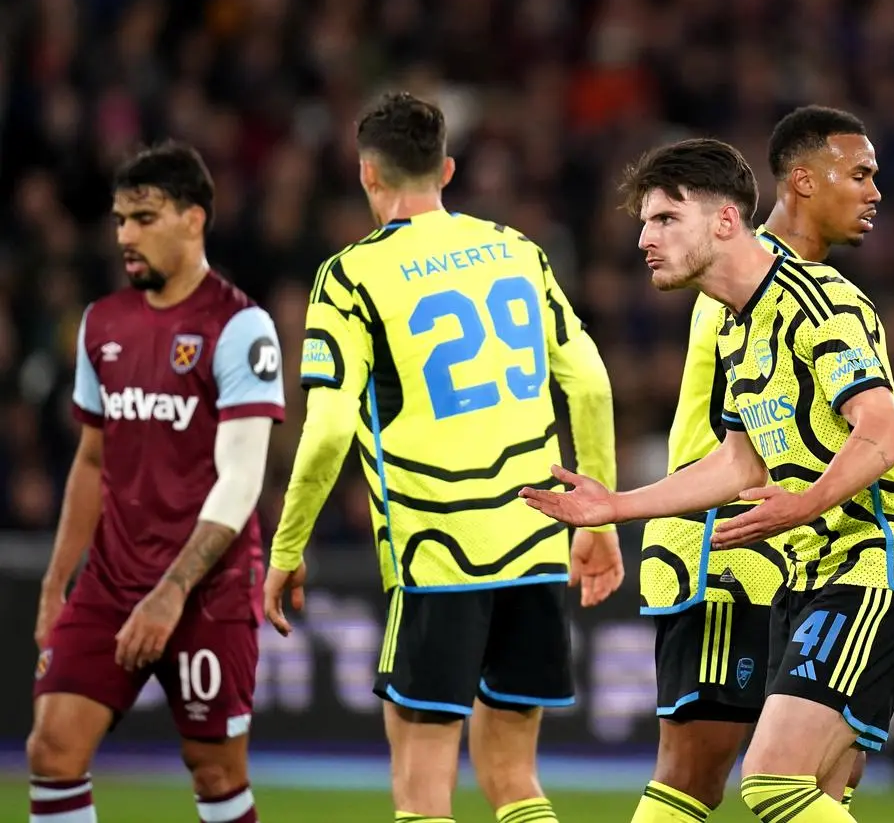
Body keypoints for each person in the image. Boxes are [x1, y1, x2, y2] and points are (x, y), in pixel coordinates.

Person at [523, 136, 894, 823]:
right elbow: (740, 462)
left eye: (665, 219)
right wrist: (618, 506)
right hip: (812, 572)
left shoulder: (816, 303)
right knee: (819, 792)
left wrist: (803, 503)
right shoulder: (736, 328)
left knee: (772, 780)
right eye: (644, 222)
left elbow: (883, 430)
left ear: (725, 221)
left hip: (879, 560)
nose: (644, 239)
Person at [264, 92, 624, 823]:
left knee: (422, 794)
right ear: (448, 169)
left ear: (368, 175)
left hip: (439, 557)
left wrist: (287, 543)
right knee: (517, 781)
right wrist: (601, 515)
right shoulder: (519, 251)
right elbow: (588, 381)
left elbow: (329, 429)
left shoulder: (351, 276)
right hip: (536, 547)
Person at [632, 105, 880, 823]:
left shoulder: (799, 284)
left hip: (807, 559)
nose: (873, 194)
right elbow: (735, 446)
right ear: (803, 183)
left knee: (826, 778)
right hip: (732, 556)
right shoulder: (736, 277)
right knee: (694, 772)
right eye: (858, 175)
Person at [29, 141, 285, 823]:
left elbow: (241, 478)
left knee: (215, 772)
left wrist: (172, 591)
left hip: (207, 588)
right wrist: (58, 583)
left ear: (193, 218)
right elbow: (90, 460)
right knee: (52, 749)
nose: (124, 236)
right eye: (118, 220)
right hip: (111, 581)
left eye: (143, 217)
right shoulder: (101, 324)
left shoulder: (240, 327)